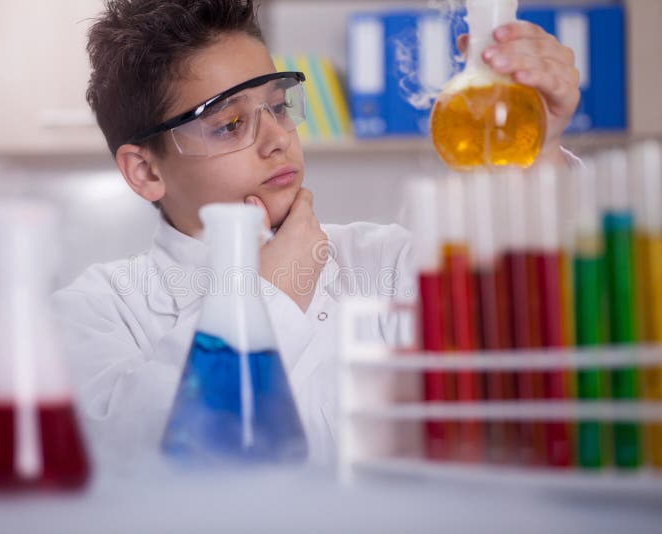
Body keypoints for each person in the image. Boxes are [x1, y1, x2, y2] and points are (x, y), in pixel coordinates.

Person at [53, 0, 582, 466]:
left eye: (279, 107)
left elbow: (543, 307)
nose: (278, 139)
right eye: (231, 124)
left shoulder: (384, 265)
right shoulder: (98, 313)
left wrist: (537, 151)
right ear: (146, 171)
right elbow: (131, 456)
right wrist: (269, 292)